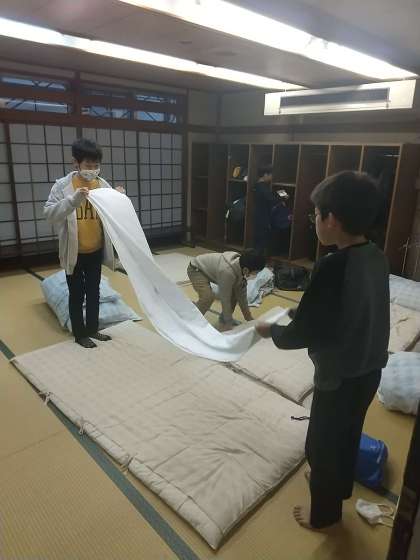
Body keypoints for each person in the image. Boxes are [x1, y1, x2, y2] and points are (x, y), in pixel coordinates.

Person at [255, 171, 390, 530]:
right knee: (347, 435)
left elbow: (304, 332)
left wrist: (272, 331)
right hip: (370, 369)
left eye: (315, 214)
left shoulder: (332, 265)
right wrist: (300, 314)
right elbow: (346, 309)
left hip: (340, 376)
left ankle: (325, 516)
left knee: (322, 445)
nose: (313, 220)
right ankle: (335, 487)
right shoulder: (376, 256)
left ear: (331, 220)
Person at [44, 138, 125, 349]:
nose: (93, 170)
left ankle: (92, 329)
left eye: (96, 165)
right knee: (77, 294)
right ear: (76, 163)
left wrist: (119, 198)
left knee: (94, 292)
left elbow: (113, 214)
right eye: (88, 165)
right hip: (74, 251)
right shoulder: (62, 186)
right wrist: (72, 201)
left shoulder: (102, 184)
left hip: (95, 249)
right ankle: (80, 334)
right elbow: (49, 214)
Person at [187, 250, 266, 331]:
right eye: (256, 272)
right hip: (196, 269)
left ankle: (223, 320)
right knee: (208, 297)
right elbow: (225, 299)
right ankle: (192, 321)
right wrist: (229, 322)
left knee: (235, 294)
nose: (256, 275)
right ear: (246, 270)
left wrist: (248, 318)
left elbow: (242, 297)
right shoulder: (227, 272)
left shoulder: (241, 269)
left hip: (209, 270)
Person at [253, 164, 277, 255]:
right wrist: (282, 198)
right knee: (261, 242)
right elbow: (271, 200)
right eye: (271, 174)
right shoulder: (263, 188)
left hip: (257, 216)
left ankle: (255, 258)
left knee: (258, 241)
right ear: (265, 175)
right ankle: (258, 259)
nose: (272, 177)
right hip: (263, 217)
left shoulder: (256, 185)